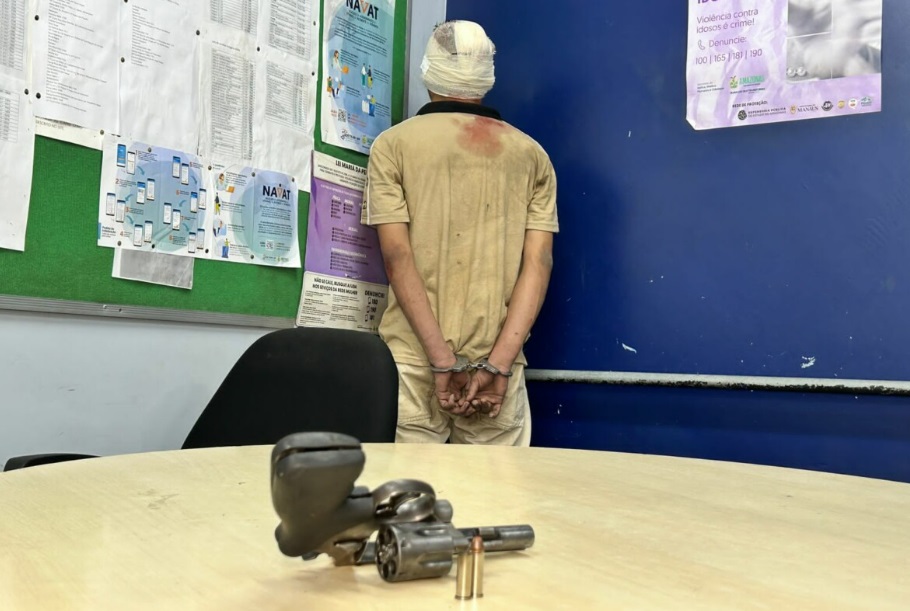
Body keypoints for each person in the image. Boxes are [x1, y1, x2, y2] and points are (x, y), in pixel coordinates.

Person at [363, 20, 558, 445]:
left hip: (413, 363)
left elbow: (397, 257)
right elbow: (539, 263)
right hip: (498, 369)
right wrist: (498, 365)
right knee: (499, 488)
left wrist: (441, 361)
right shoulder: (532, 156)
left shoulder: (392, 146)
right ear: (487, 76)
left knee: (408, 487)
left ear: (429, 71)